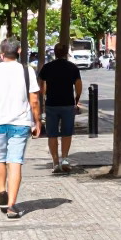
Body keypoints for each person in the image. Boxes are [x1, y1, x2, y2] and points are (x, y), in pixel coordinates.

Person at [0, 39, 41, 219]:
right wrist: (37, 122)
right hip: (21, 123)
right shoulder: (27, 71)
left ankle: (2, 191)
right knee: (15, 161)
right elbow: (34, 100)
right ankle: (12, 205)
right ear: (19, 51)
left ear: (1, 53)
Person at [39, 43, 82, 174]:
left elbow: (41, 84)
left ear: (55, 53)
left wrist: (45, 97)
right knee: (67, 133)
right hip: (68, 104)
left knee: (52, 134)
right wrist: (76, 99)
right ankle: (65, 159)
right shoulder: (72, 67)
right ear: (66, 53)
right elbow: (79, 85)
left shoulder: (47, 67)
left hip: (51, 104)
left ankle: (55, 162)